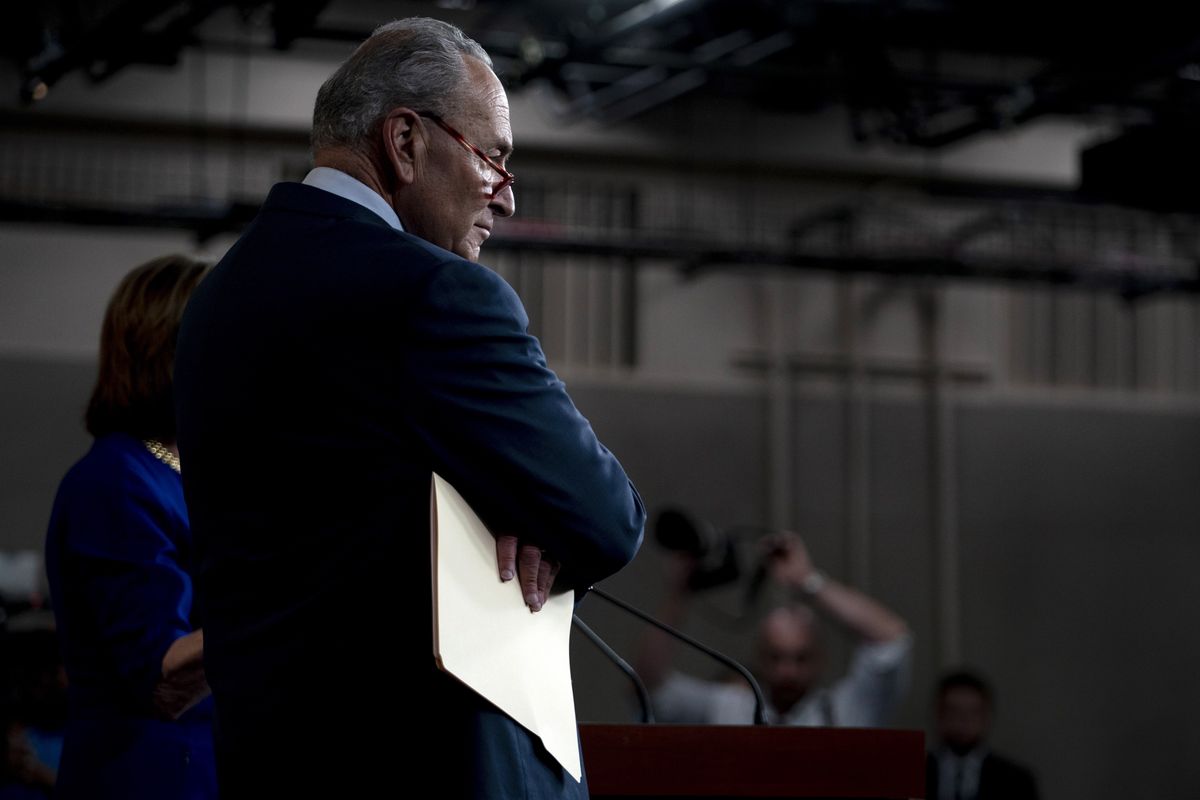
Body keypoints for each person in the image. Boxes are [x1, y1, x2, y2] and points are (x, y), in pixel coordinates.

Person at [173, 17, 645, 799]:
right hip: (430, 764)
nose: (506, 190)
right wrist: (537, 521)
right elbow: (607, 516)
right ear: (405, 141)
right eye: (492, 156)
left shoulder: (213, 303)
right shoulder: (435, 294)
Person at [43, 255, 214, 799]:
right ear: (172, 346)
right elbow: (161, 679)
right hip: (149, 777)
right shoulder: (117, 480)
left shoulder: (179, 471)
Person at [637, 532, 911, 726]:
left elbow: (891, 640)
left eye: (800, 658)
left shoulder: (847, 711)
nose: (787, 672)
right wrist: (678, 594)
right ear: (758, 657)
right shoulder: (730, 708)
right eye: (775, 657)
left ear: (821, 659)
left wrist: (807, 581)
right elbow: (650, 686)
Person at [927, 670, 1040, 800]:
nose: (964, 720)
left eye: (973, 712)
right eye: (954, 711)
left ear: (987, 717)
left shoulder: (1016, 779)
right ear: (938, 715)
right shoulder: (914, 773)